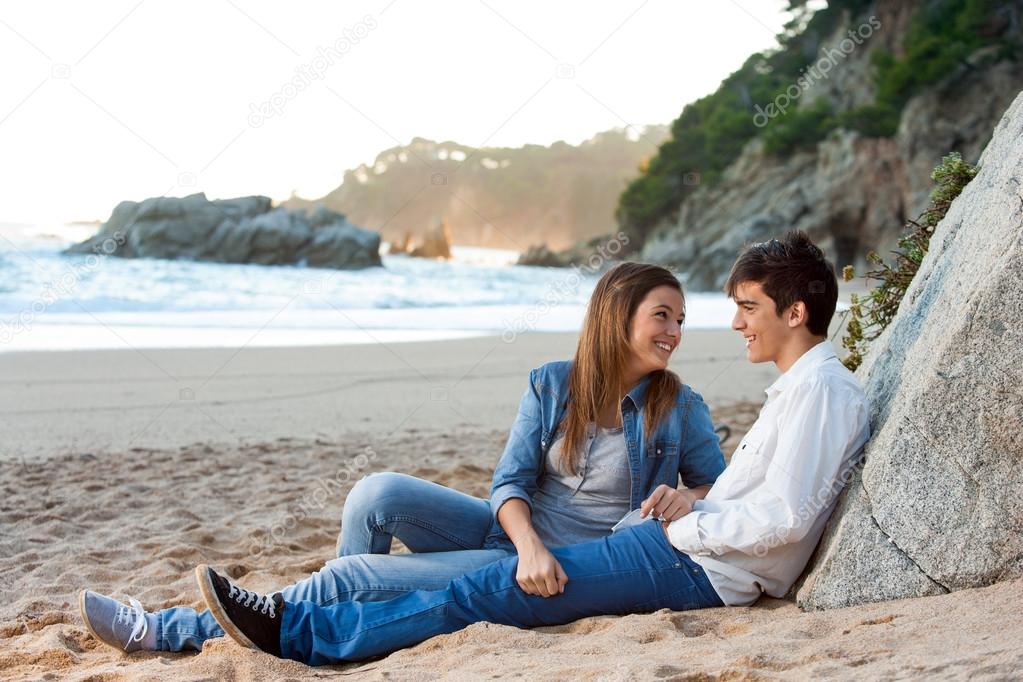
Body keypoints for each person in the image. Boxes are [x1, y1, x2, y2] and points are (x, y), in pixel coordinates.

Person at [193, 230, 872, 666]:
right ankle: (281, 624)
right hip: (643, 545)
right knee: (434, 547)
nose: (728, 324)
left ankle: (295, 633)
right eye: (665, 315)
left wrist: (691, 515)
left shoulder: (807, 392)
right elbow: (743, 496)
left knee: (469, 591)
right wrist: (689, 501)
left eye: (746, 306)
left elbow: (781, 517)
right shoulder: (795, 390)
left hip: (689, 561)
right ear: (617, 317)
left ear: (793, 312)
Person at [79, 262, 726, 653]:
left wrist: (687, 496)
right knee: (375, 494)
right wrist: (525, 542)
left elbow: (721, 488)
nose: (674, 331)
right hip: (512, 538)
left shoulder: (679, 404)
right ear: (616, 317)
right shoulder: (552, 382)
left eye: (679, 318)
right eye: (661, 316)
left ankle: (168, 631)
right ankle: (332, 627)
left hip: (563, 566)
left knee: (347, 578)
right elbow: (508, 482)